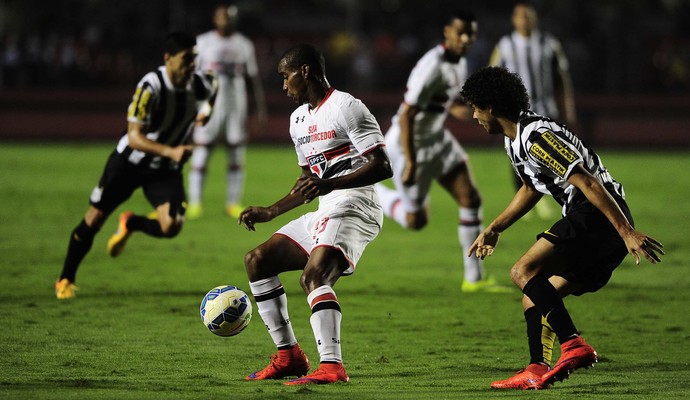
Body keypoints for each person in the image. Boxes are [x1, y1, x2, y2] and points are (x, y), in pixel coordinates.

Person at [460, 66, 664, 390]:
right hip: (596, 220)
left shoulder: (536, 137)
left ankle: (573, 344)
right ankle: (536, 369)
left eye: (474, 107)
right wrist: (496, 228)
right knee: (536, 297)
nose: (473, 116)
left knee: (522, 271)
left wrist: (626, 232)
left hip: (596, 214)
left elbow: (586, 181)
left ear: (490, 107)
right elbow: (530, 188)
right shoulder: (515, 140)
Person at [238, 43, 392, 385]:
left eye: (284, 76)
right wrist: (271, 211)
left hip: (357, 206)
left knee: (314, 276)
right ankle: (289, 356)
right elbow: (310, 183)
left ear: (304, 71)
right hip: (328, 207)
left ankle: (332, 367)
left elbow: (382, 166)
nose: (283, 85)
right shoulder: (297, 120)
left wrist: (329, 184)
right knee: (257, 260)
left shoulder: (347, 107)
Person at [55, 32, 216, 300]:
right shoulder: (150, 86)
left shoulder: (204, 83)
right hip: (129, 164)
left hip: (164, 168)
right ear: (168, 58)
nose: (192, 66)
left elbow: (211, 95)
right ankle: (65, 279)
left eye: (195, 59)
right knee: (94, 219)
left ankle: (131, 223)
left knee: (172, 226)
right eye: (187, 59)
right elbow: (134, 136)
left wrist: (204, 114)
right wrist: (172, 150)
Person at [374, 10, 508, 293]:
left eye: (470, 34)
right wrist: (410, 162)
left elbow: (444, 103)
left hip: (436, 138)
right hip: (408, 144)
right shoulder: (431, 65)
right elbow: (408, 114)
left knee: (470, 198)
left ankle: (474, 279)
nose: (465, 39)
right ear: (447, 32)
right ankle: (376, 193)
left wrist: (473, 112)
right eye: (460, 33)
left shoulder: (458, 61)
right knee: (416, 220)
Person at [489, 1, 576, 219]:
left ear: (534, 19)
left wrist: (568, 105)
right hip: (516, 112)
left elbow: (562, 76)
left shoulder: (549, 43)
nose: (524, 20)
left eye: (528, 16)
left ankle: (546, 197)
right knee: (518, 157)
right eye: (520, 16)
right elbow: (491, 75)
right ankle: (524, 201)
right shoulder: (505, 44)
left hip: (545, 108)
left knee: (549, 155)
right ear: (514, 20)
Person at [187, 4, 267, 219]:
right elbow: (191, 77)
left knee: (236, 154)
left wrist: (259, 107)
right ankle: (195, 203)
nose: (226, 20)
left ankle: (233, 203)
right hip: (208, 106)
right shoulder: (203, 42)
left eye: (230, 17)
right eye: (222, 17)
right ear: (215, 18)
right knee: (202, 153)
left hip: (235, 107)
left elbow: (252, 78)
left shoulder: (244, 44)